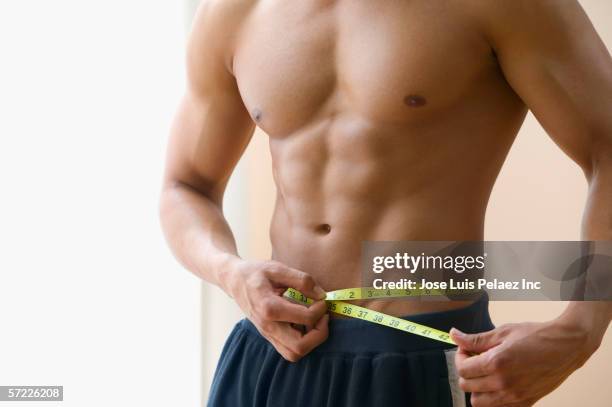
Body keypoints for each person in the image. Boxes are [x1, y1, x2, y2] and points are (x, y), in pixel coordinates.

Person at [159, 1, 612, 406]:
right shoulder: (234, 11)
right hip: (270, 352)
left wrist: (581, 330)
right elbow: (186, 186)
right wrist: (230, 272)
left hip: (418, 357)